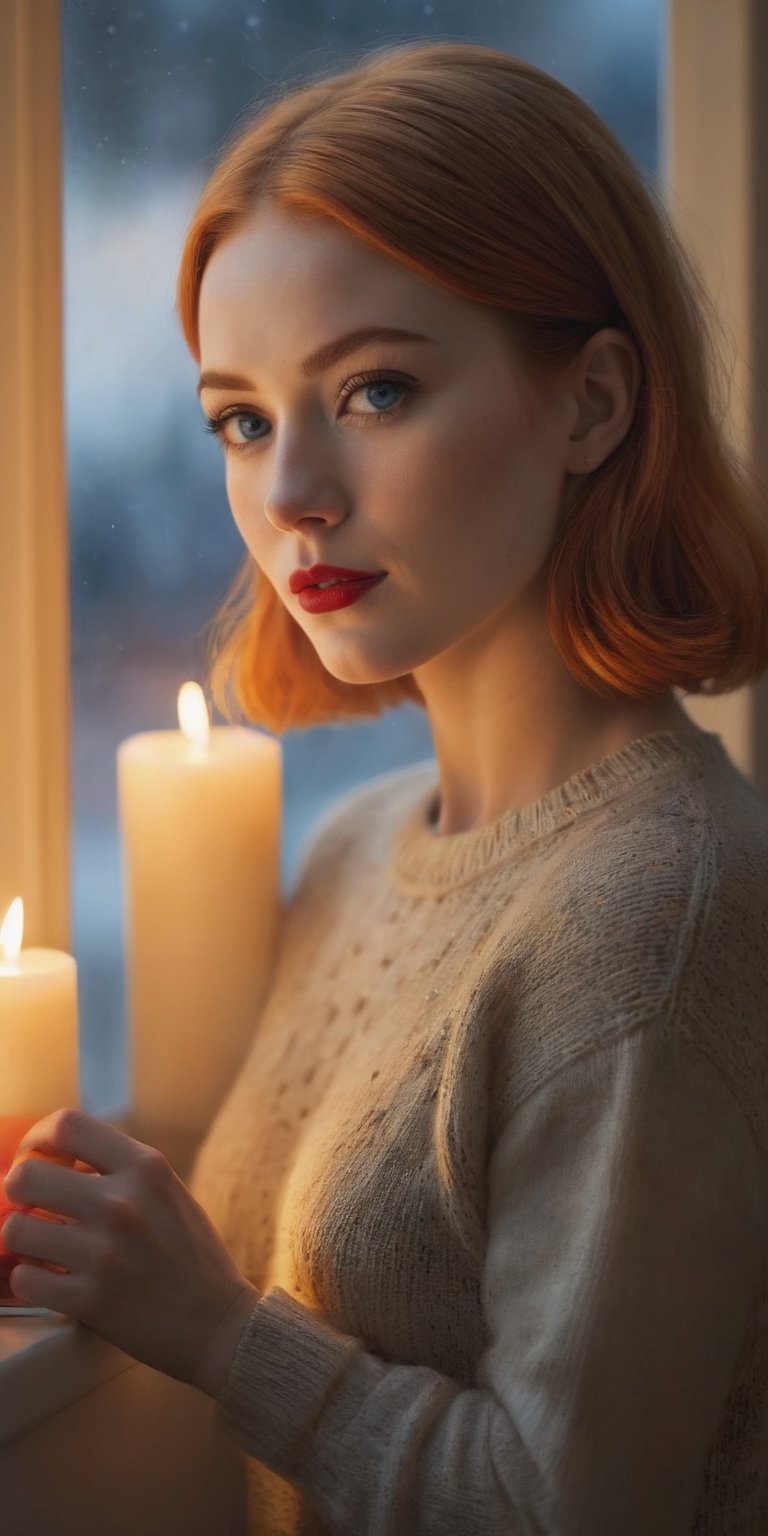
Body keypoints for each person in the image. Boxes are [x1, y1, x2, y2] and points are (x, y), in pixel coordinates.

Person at [3, 39, 767, 1536]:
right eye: (241, 417)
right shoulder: (352, 851)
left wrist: (221, 1334)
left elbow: (569, 1513)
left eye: (374, 390)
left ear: (595, 403)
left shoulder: (665, 911)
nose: (290, 495)